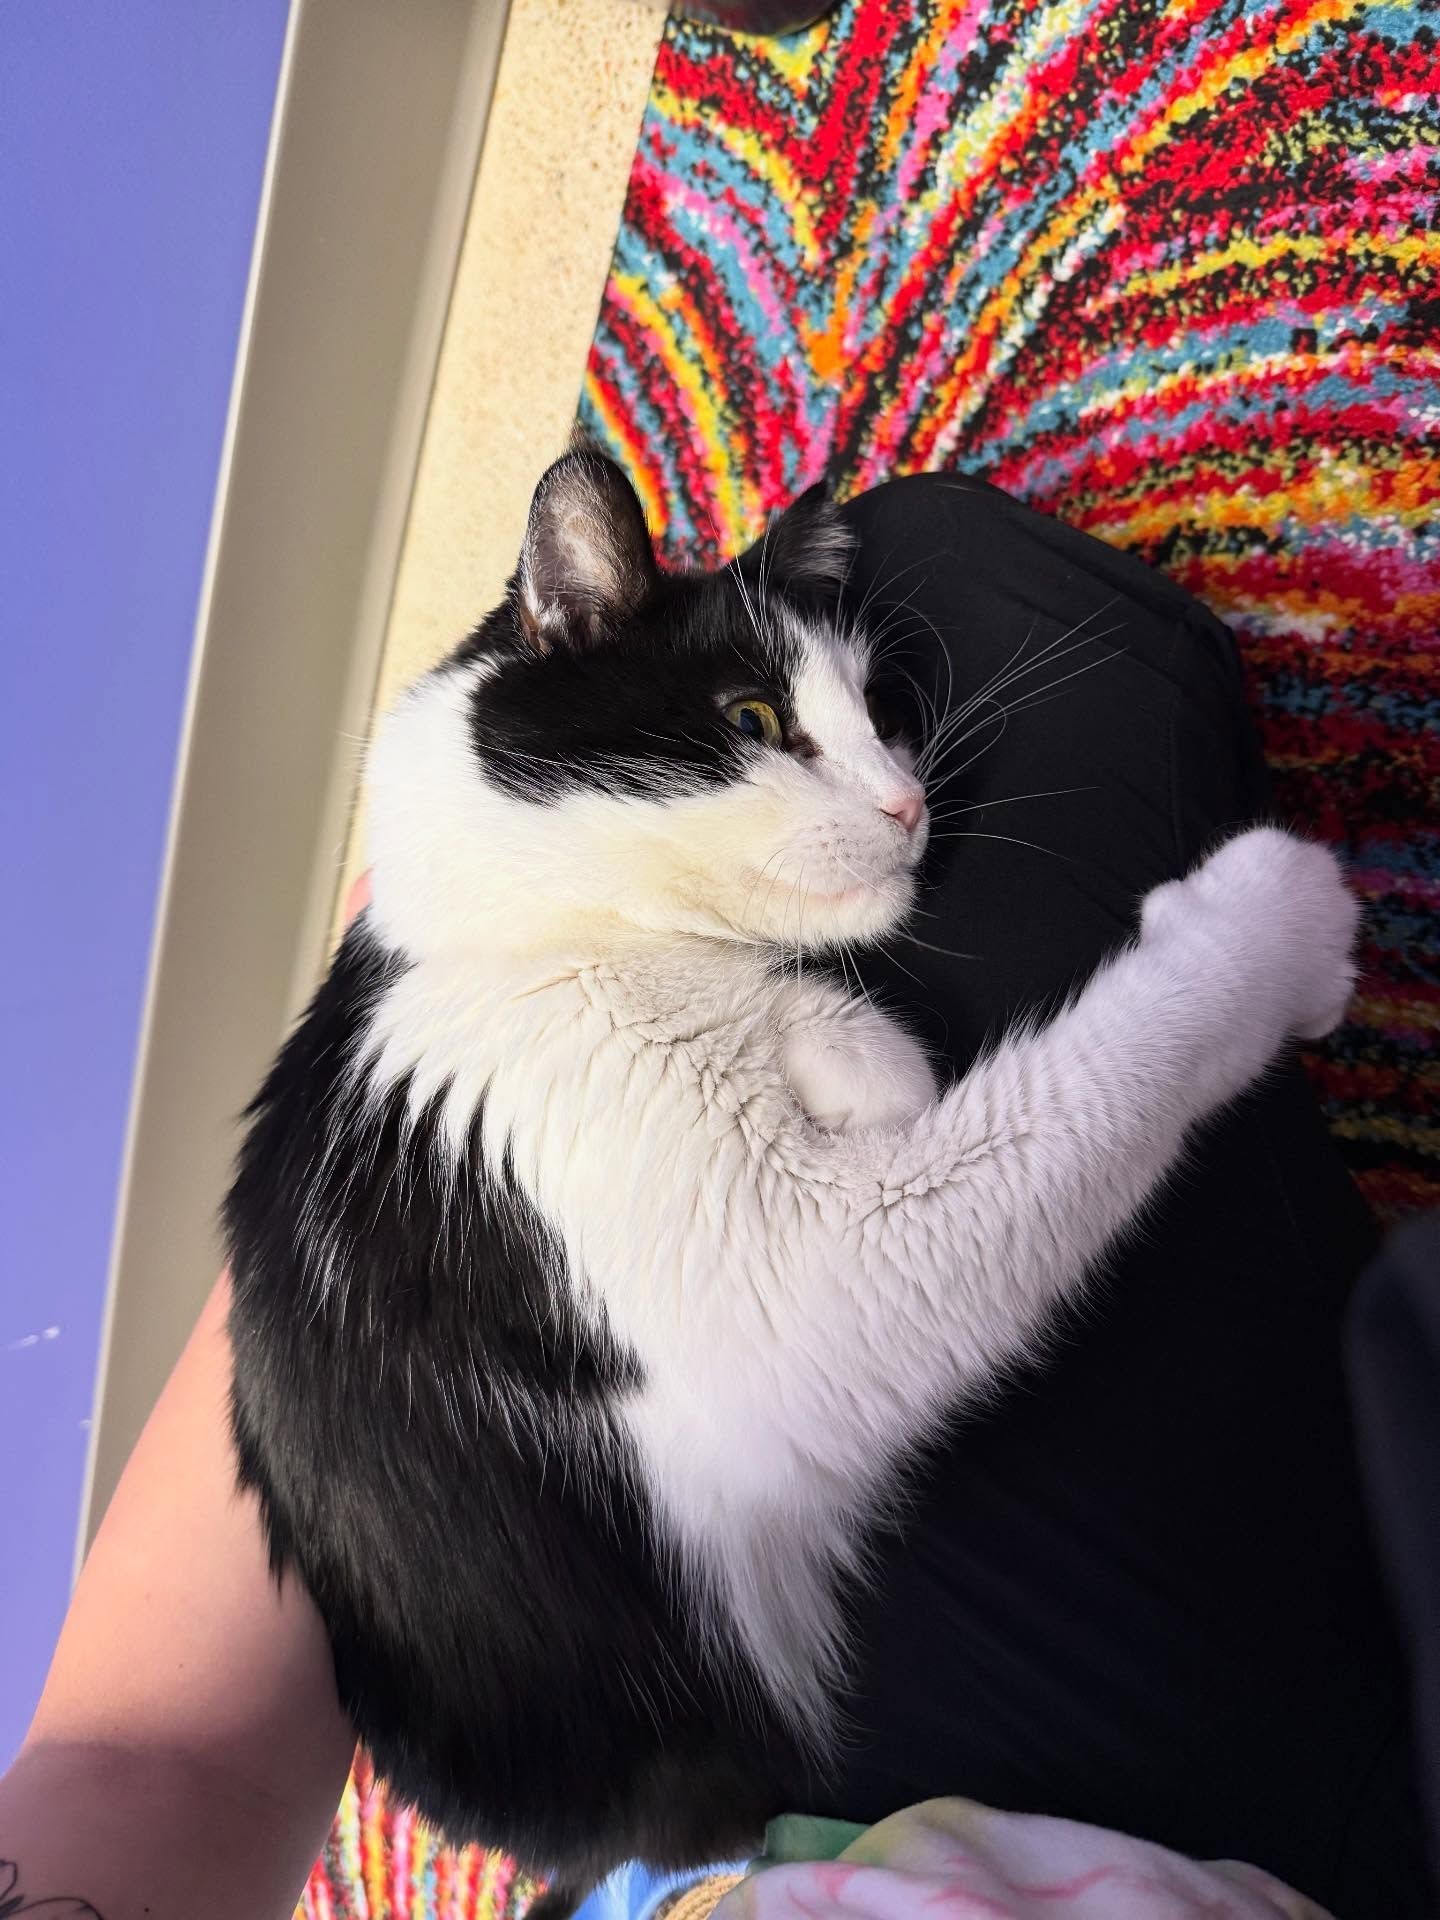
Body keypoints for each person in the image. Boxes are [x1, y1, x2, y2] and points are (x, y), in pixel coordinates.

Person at [1, 474, 1429, 1919]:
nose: (899, 793)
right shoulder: (541, 1039)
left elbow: (143, 1757)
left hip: (673, 1744)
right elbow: (883, 1291)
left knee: (872, 583)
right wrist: (1218, 984)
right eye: (789, 742)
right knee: (956, 571)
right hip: (834, 1747)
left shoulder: (468, 1032)